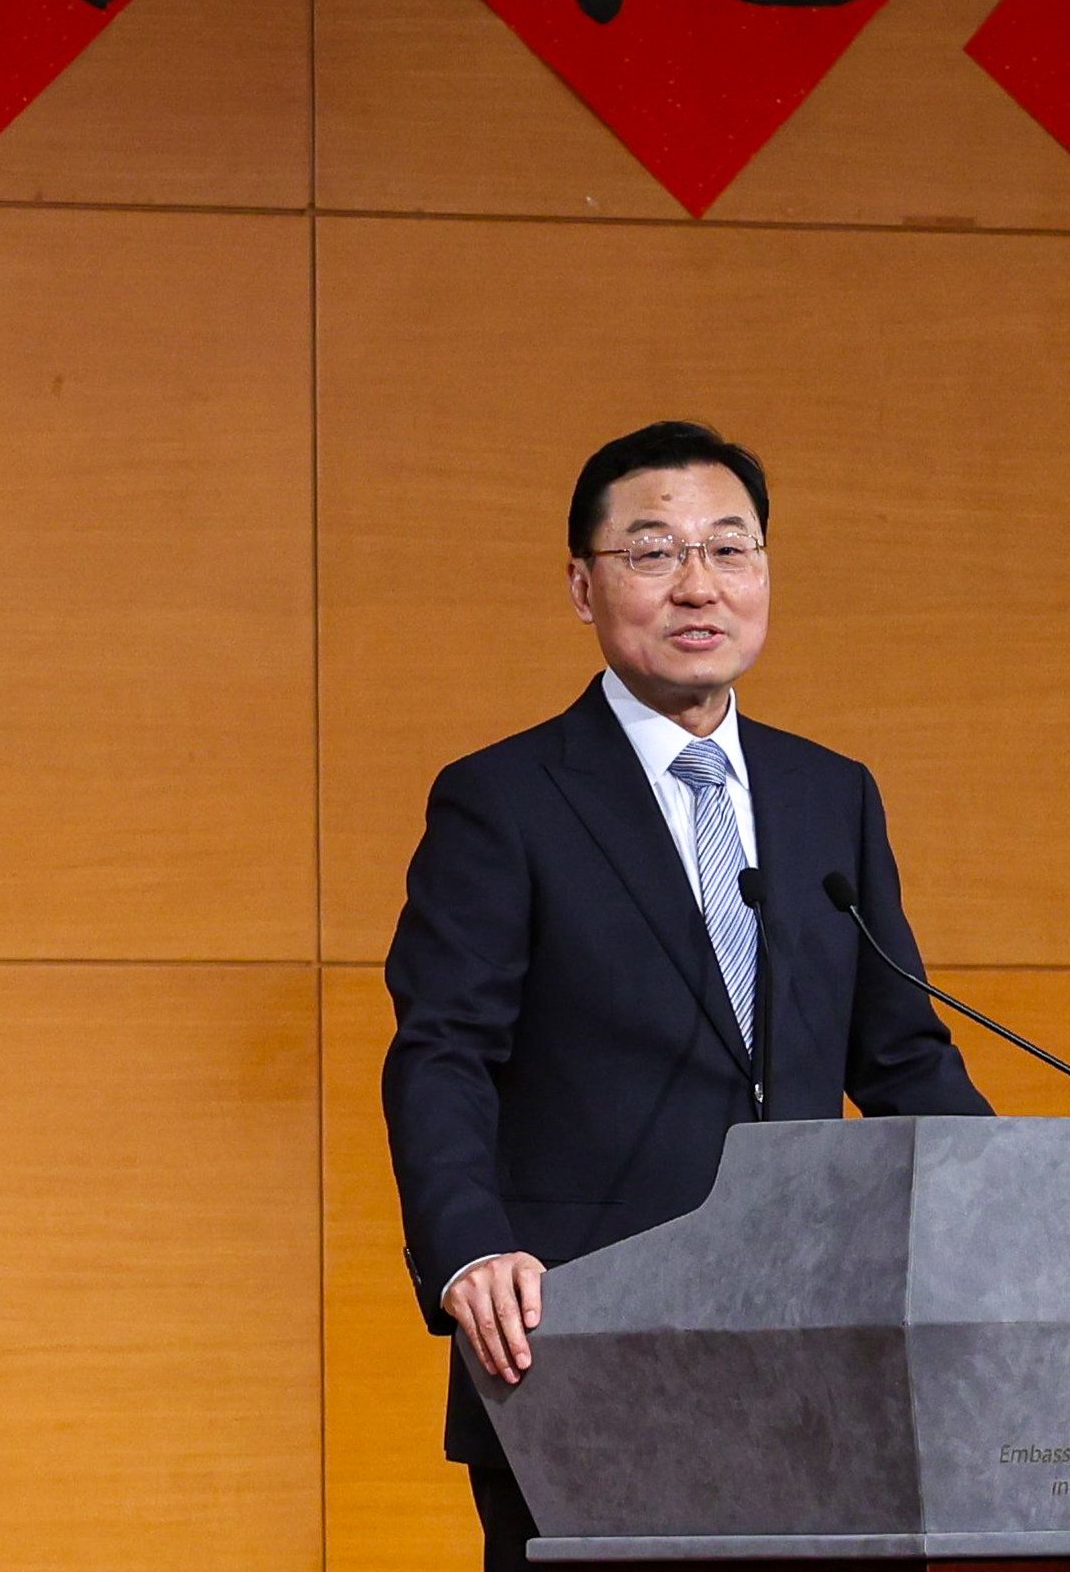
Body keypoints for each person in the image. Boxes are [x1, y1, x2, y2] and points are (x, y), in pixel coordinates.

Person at [381, 421, 992, 1571]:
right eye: (654, 552)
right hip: (584, 1343)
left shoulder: (831, 795)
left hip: (821, 1352)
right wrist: (470, 1250)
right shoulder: (504, 799)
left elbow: (902, 1057)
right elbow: (442, 1050)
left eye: (731, 548)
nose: (699, 584)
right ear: (582, 584)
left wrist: (1023, 1221)